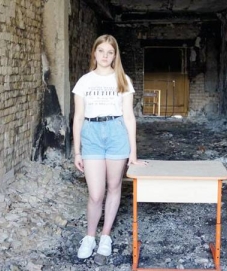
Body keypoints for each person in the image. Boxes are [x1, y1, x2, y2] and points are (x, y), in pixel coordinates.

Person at [71, 34, 144, 259]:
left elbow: (129, 117)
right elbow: (78, 117)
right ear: (94, 53)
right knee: (95, 194)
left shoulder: (123, 80)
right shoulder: (85, 81)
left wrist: (133, 151)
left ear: (115, 56)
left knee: (114, 187)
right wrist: (77, 151)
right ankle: (89, 236)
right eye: (101, 51)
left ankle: (105, 236)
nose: (105, 56)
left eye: (110, 52)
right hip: (92, 134)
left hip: (116, 133)